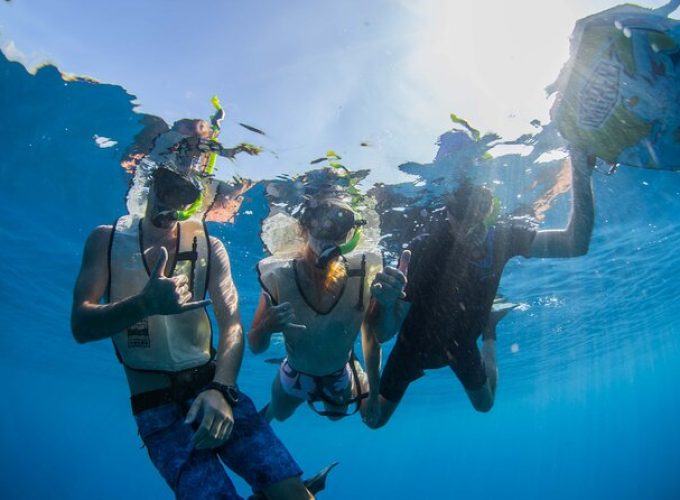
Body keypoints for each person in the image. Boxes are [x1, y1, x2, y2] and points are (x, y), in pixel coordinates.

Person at [71, 163, 314, 499]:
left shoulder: (210, 249)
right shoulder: (106, 240)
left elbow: (232, 327)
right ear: (150, 182)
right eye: (168, 186)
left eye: (184, 195)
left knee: (292, 493)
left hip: (214, 388)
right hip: (156, 408)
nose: (170, 204)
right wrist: (142, 305)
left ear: (198, 200)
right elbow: (81, 327)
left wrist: (222, 390)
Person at [364, 147, 596, 428]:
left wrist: (581, 172)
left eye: (481, 207)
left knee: (485, 405)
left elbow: (576, 243)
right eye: (463, 211)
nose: (473, 222)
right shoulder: (424, 251)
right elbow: (384, 333)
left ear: (491, 208)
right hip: (413, 347)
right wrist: (387, 304)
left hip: (462, 343)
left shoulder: (503, 238)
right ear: (448, 214)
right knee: (374, 421)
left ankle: (490, 329)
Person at [248, 194, 406, 423]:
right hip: (296, 374)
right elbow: (255, 345)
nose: (330, 232)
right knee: (279, 415)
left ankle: (354, 369)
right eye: (320, 222)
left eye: (341, 224)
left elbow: (373, 337)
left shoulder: (363, 275)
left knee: (338, 417)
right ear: (304, 227)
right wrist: (266, 328)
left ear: (351, 233)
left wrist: (373, 392)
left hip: (337, 375)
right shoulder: (279, 276)